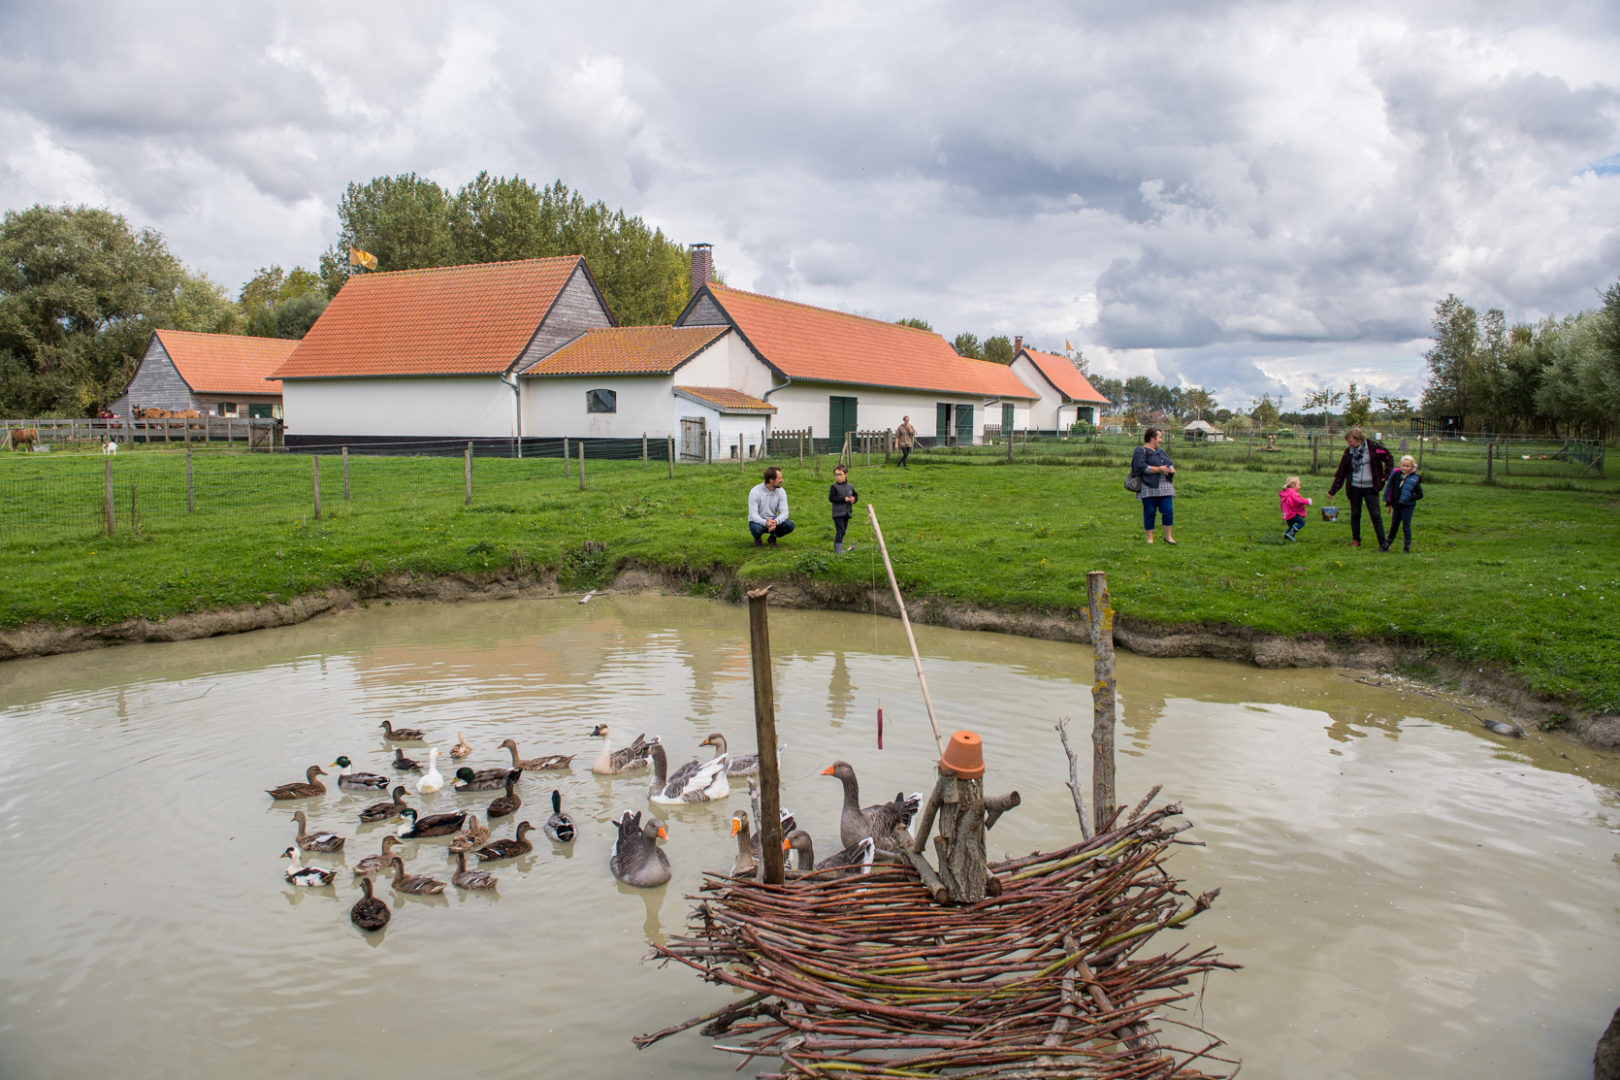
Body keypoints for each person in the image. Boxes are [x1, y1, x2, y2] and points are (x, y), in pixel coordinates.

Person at [1326, 426, 1392, 550]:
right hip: (1355, 487)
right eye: (1347, 441)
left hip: (1371, 487)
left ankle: (1383, 543)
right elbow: (1341, 472)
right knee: (1355, 514)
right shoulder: (1348, 452)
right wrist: (1333, 490)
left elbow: (1389, 458)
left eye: (1350, 441)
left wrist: (1385, 476)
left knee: (1376, 515)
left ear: (1358, 439)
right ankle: (1356, 539)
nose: (1348, 444)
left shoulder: (1374, 448)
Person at [1130, 428, 1176, 544]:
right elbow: (1140, 467)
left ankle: (1168, 537)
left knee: (1168, 510)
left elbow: (1169, 462)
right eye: (1159, 437)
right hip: (1148, 486)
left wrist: (1171, 469)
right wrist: (1158, 469)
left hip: (1165, 486)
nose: (1161, 440)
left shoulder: (1161, 451)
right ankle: (1150, 539)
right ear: (1152, 438)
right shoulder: (1140, 451)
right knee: (1150, 511)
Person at [1383, 454, 1423, 553]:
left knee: (1406, 526)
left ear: (1412, 467)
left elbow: (1420, 494)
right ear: (1399, 465)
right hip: (1396, 506)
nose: (1405, 468)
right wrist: (1388, 503)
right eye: (1403, 465)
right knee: (1394, 526)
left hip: (1407, 507)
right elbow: (1391, 489)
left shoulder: (1414, 479)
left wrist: (1409, 498)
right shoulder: (1396, 476)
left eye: (1407, 466)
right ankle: (1386, 544)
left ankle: (1406, 547)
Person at [748, 466, 795, 547]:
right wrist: (765, 523)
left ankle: (772, 538)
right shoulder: (755, 492)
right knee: (756, 529)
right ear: (771, 480)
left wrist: (776, 521)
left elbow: (785, 512)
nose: (782, 480)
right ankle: (757, 538)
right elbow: (753, 514)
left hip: (773, 521)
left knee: (790, 525)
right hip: (759, 521)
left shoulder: (781, 491)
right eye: (779, 478)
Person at [827, 464, 858, 553]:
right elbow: (832, 498)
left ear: (846, 474)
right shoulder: (834, 487)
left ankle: (838, 544)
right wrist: (843, 499)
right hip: (838, 513)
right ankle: (838, 547)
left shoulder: (850, 486)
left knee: (843, 530)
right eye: (836, 475)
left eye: (840, 474)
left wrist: (854, 499)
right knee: (840, 530)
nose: (838, 477)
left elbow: (855, 495)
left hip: (847, 513)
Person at [1278, 476, 1312, 542]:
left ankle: (1286, 536)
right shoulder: (1293, 493)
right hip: (1291, 514)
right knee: (1302, 522)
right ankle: (1291, 534)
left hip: (1286, 514)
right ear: (1294, 485)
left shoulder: (1286, 492)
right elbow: (1298, 500)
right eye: (1299, 485)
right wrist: (1307, 501)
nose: (1300, 487)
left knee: (1291, 526)